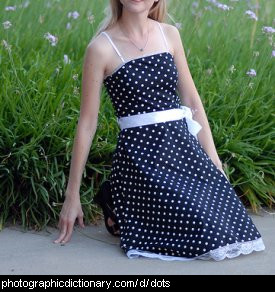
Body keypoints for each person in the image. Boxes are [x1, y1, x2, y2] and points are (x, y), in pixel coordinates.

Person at [53, 0, 265, 261]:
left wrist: (214, 162)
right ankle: (119, 197)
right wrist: (72, 196)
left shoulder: (169, 34)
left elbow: (192, 101)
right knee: (204, 229)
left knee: (231, 224)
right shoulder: (100, 48)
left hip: (182, 150)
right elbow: (87, 123)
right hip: (142, 159)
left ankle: (115, 201)